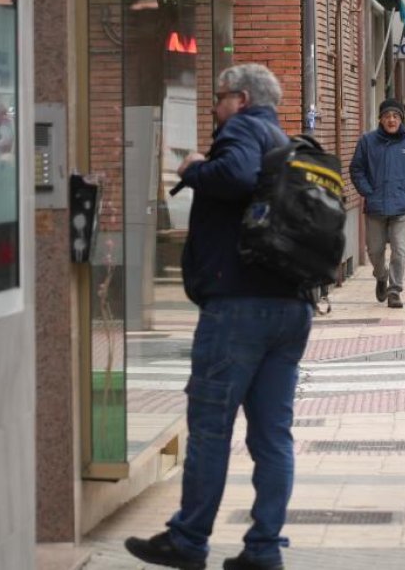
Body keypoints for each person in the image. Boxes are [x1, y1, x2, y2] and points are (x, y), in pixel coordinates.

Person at [124, 64, 312, 570]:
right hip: (290, 307)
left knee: (210, 427)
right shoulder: (283, 139)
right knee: (272, 435)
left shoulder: (244, 129)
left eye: (220, 97)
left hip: (239, 308)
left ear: (243, 99)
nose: (213, 107)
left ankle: (188, 540)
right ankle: (264, 548)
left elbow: (235, 175)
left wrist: (192, 170)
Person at [350, 98, 405, 308]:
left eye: (395, 116)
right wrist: (368, 191)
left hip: (400, 207)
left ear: (401, 119)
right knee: (374, 251)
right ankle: (381, 275)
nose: (391, 120)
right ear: (380, 119)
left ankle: (395, 291)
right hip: (375, 207)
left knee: (399, 251)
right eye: (387, 116)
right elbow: (356, 169)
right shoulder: (367, 142)